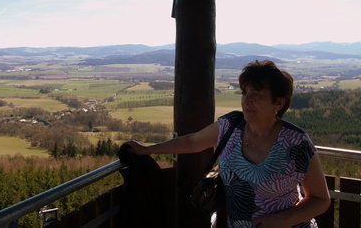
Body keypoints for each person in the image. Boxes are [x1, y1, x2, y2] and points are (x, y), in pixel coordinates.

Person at [124, 60, 330, 228]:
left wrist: (280, 220)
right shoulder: (230, 125)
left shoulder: (296, 142)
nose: (247, 100)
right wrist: (147, 150)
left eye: (256, 95)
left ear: (278, 103)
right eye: (244, 93)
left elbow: (320, 199)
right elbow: (192, 142)